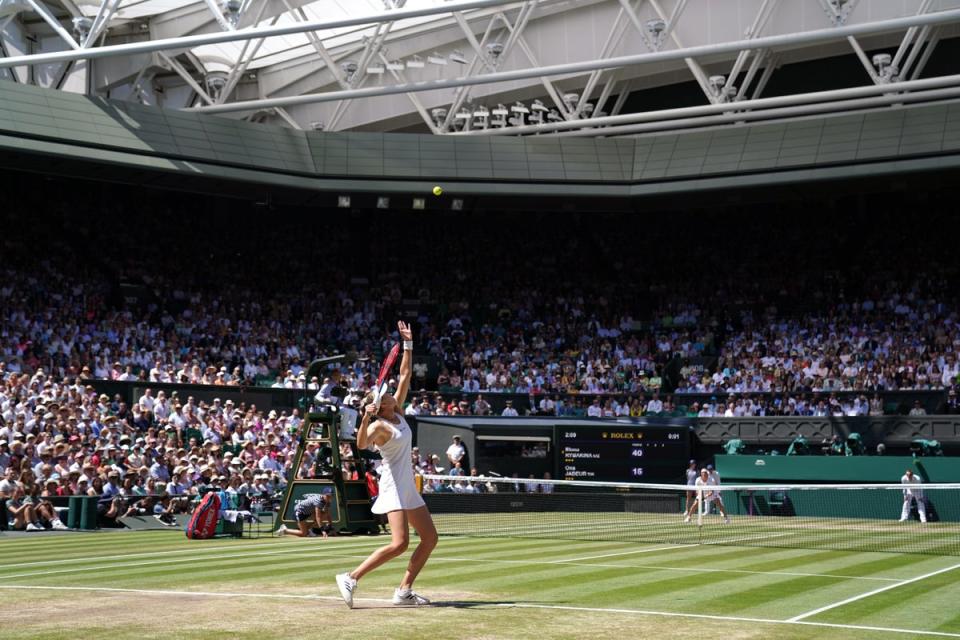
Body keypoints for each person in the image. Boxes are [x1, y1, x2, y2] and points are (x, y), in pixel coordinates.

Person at [336, 321, 438, 608]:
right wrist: (365, 418)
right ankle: (350, 577)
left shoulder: (398, 412)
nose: (394, 392)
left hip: (407, 485)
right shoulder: (380, 426)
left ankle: (404, 591)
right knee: (399, 543)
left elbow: (405, 373)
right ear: (382, 404)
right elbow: (361, 445)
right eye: (389, 394)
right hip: (393, 484)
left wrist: (408, 344)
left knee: (429, 538)